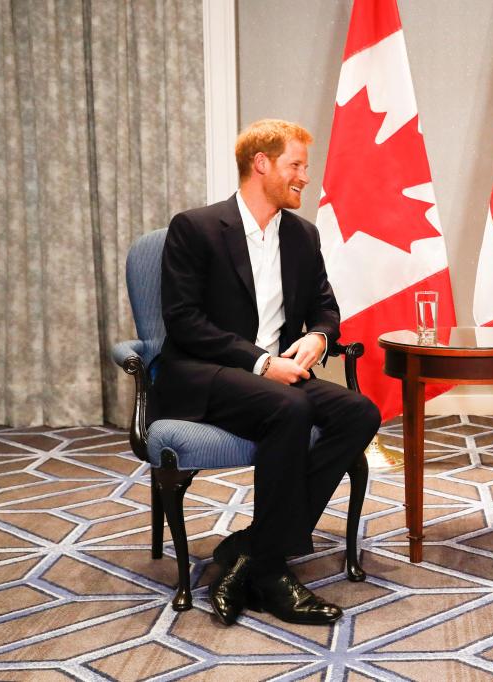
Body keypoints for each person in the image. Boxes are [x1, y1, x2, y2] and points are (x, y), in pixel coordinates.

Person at [156, 119, 381, 626]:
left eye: (305, 166)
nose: (305, 176)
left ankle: (252, 550)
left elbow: (325, 307)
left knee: (359, 412)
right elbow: (184, 323)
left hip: (278, 376)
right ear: (261, 164)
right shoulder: (195, 227)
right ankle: (274, 576)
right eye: (295, 165)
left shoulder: (302, 235)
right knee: (290, 405)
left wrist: (319, 336)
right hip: (206, 373)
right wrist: (261, 362)